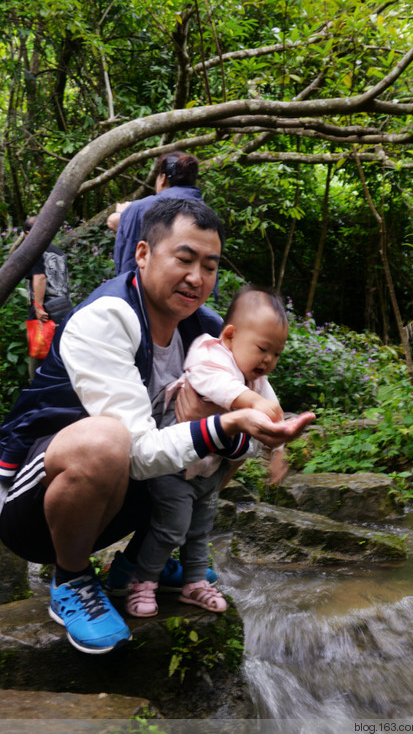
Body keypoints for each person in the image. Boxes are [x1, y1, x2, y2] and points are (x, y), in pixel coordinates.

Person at [0, 198, 314, 655]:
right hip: (34, 507)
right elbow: (136, 452)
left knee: (213, 437)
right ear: (143, 254)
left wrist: (245, 434)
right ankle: (71, 579)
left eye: (210, 266)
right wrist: (224, 425)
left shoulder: (204, 330)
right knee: (108, 438)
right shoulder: (106, 318)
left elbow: (244, 423)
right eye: (184, 259)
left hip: (124, 494)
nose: (197, 278)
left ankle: (140, 563)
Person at [121, 285, 289, 618]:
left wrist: (278, 450)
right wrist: (253, 404)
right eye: (262, 349)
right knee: (171, 528)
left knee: (200, 530)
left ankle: (194, 584)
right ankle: (142, 582)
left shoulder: (257, 382)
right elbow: (215, 386)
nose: (268, 360)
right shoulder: (209, 352)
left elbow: (275, 412)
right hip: (174, 466)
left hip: (207, 474)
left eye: (277, 354)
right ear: (229, 336)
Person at [110, 151, 203, 275]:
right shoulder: (205, 212)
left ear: (163, 179)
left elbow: (113, 223)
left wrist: (123, 212)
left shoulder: (140, 207)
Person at [23, 216, 74, 379]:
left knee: (38, 353)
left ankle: (37, 392)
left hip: (44, 311)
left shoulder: (34, 250)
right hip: (63, 308)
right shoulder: (57, 250)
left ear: (27, 233)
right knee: (60, 352)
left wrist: (38, 306)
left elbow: (40, 277)